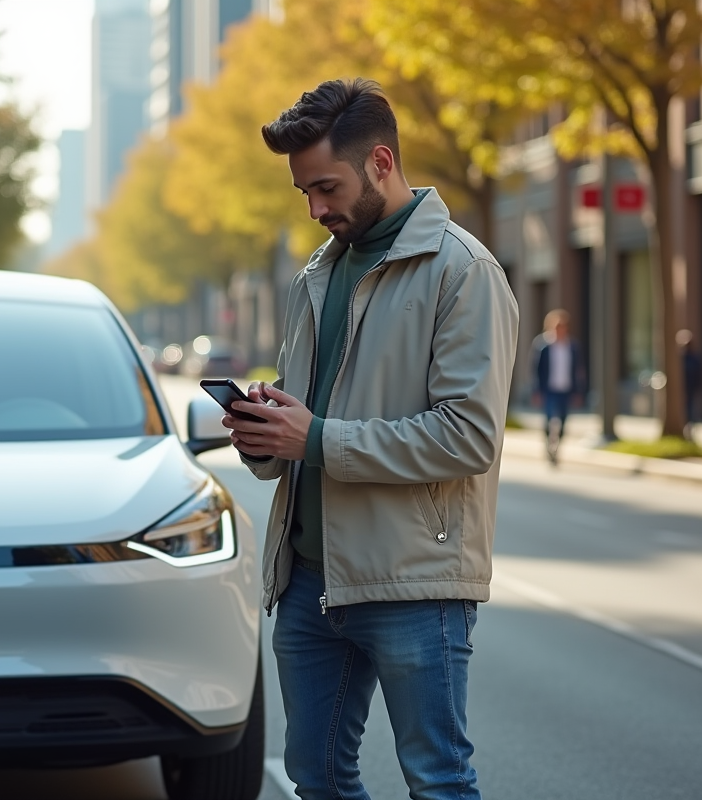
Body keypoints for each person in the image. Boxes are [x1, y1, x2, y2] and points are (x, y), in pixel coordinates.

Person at [223, 79, 518, 800]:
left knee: (437, 782)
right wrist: (266, 435)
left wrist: (315, 437)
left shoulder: (463, 271)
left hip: (414, 583)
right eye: (304, 193)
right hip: (307, 583)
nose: (316, 208)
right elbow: (311, 420)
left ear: (381, 163)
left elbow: (467, 436)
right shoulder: (317, 274)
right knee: (315, 779)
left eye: (326, 186)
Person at [530, 309, 587, 464]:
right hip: (549, 389)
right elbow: (536, 370)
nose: (560, 329)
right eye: (557, 326)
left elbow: (578, 370)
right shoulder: (543, 346)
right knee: (549, 418)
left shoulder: (573, 346)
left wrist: (579, 391)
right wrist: (536, 391)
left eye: (563, 326)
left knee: (563, 420)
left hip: (566, 389)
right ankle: (549, 444)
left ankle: (557, 446)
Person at [677, 329, 702, 438]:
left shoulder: (695, 358)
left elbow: (700, 374)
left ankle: (690, 431)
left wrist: (699, 387)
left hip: (692, 389)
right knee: (684, 411)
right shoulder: (679, 358)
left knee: (691, 412)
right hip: (682, 390)